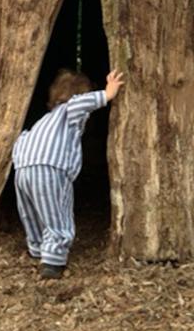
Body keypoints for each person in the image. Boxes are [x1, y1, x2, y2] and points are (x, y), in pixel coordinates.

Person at [12, 67, 124, 279]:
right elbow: (80, 103)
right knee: (56, 214)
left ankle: (37, 248)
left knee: (33, 213)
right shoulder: (70, 110)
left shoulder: (43, 121)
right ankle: (52, 262)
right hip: (51, 167)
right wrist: (107, 94)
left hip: (23, 168)